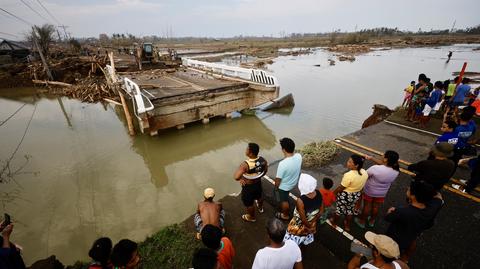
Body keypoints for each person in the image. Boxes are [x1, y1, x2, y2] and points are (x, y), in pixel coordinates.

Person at [385, 180, 443, 262]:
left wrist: (390, 211)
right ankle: (405, 258)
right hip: (414, 232)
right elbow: (439, 198)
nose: (408, 188)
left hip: (397, 236)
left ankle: (389, 260)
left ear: (413, 196)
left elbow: (388, 218)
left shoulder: (402, 212)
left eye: (409, 189)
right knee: (411, 241)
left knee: (391, 251)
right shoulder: (431, 208)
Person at [355, 151, 400, 229]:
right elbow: (384, 167)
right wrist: (372, 158)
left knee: (367, 206)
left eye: (384, 155)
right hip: (382, 193)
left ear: (386, 159)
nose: (382, 155)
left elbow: (365, 176)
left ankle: (362, 222)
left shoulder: (375, 168)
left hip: (369, 191)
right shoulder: (396, 171)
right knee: (376, 207)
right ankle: (372, 221)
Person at [284, 173, 324, 245]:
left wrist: (309, 227)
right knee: (305, 237)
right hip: (312, 221)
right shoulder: (318, 193)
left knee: (294, 237)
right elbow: (321, 211)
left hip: (300, 224)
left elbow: (303, 219)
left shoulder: (300, 200)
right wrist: (312, 223)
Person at [331, 154, 368, 232]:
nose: (347, 163)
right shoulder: (364, 172)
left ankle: (334, 222)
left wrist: (333, 194)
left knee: (339, 210)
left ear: (356, 165)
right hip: (355, 195)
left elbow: (341, 187)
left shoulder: (349, 175)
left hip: (345, 196)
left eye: (350, 162)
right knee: (350, 210)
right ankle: (347, 225)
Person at [234, 142, 268, 222]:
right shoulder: (263, 160)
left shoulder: (245, 164)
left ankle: (251, 217)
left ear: (250, 153)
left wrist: (241, 179)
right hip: (258, 183)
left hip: (248, 187)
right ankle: (260, 208)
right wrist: (258, 176)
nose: (245, 150)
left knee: (249, 203)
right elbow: (265, 171)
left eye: (247, 149)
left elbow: (236, 177)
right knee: (259, 196)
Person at [274, 138, 302, 221]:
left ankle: (285, 215)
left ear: (283, 150)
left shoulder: (283, 164)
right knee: (285, 196)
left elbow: (278, 180)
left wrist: (276, 188)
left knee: (284, 200)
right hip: (293, 182)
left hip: (284, 186)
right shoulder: (299, 156)